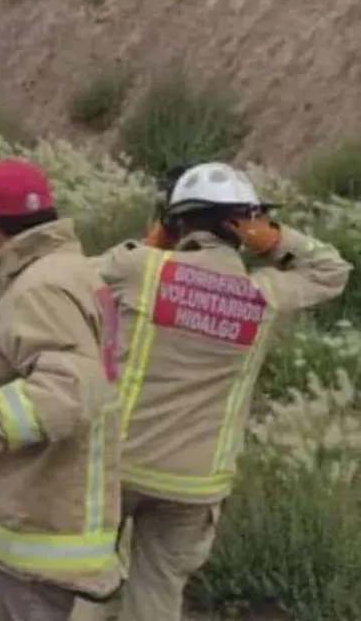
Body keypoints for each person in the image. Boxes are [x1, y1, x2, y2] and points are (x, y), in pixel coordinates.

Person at [90, 161, 352, 621]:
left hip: (120, 463)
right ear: (243, 228)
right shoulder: (261, 294)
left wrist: (147, 246)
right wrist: (277, 239)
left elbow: (65, 280)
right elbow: (332, 271)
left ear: (175, 222)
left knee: (87, 580)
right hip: (195, 483)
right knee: (158, 593)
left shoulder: (141, 270)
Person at [0, 158, 122, 621]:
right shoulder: (75, 272)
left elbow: (67, 389)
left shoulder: (39, 289)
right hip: (56, 508)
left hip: (39, 529)